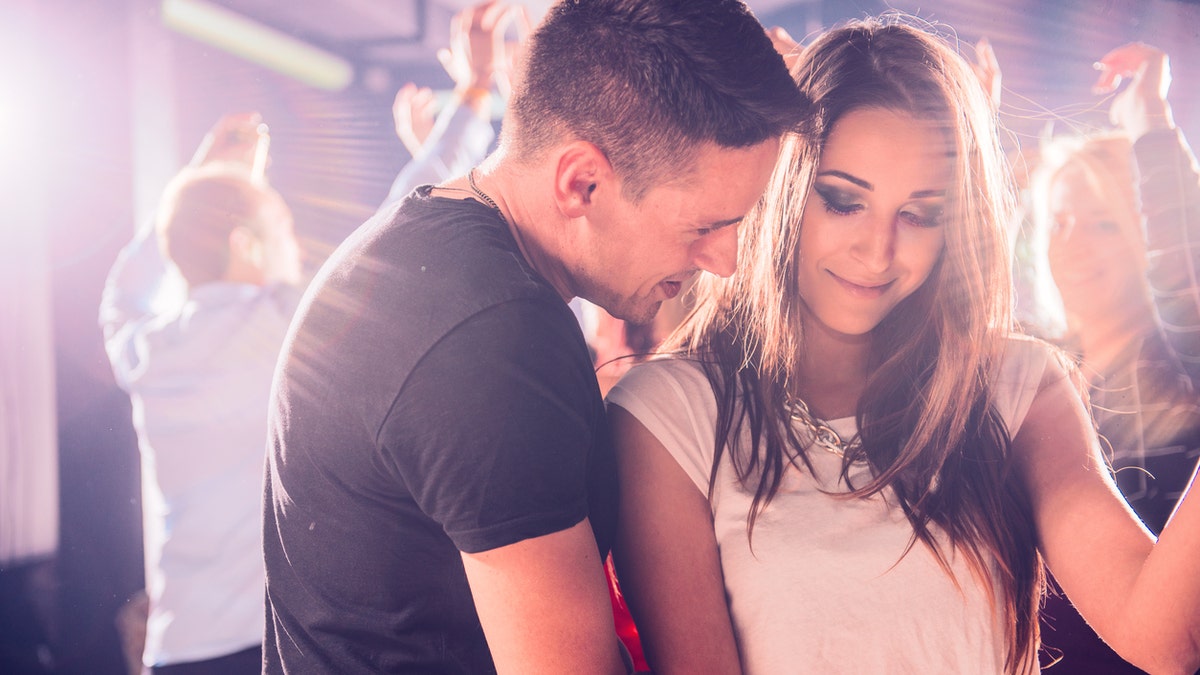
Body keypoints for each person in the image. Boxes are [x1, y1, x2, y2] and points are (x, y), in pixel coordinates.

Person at [606, 16, 1200, 675]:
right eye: (843, 201)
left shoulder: (1018, 385)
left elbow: (1161, 639)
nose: (878, 250)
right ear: (783, 188)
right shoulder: (669, 415)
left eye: (920, 213)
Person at [261, 0, 807, 672]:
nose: (723, 260)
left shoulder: (435, 254)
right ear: (582, 182)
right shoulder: (492, 340)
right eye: (703, 227)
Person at [99, 112, 304, 673]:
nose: (294, 246)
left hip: (179, 649)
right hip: (267, 647)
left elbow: (126, 290)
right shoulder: (284, 323)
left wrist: (203, 176)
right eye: (282, 229)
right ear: (246, 244)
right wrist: (472, 97)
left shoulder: (146, 350)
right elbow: (396, 237)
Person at [1023, 42, 1200, 673]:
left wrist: (1150, 122)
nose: (1071, 245)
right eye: (1059, 222)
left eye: (1101, 223)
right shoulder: (1031, 378)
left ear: (1142, 234)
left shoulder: (1184, 376)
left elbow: (1186, 278)